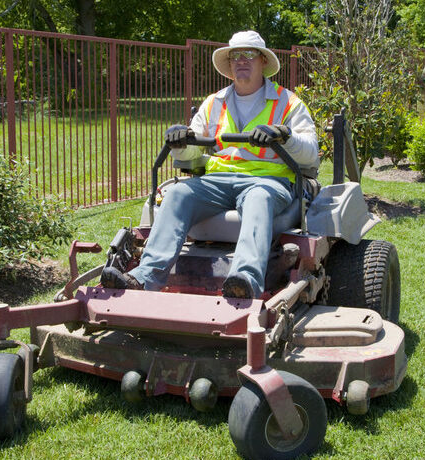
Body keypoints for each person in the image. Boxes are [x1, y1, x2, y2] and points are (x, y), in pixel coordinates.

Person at [101, 30, 319, 298]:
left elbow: (310, 154)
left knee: (258, 198)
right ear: (229, 64)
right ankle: (144, 278)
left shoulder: (290, 103)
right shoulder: (212, 103)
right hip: (217, 181)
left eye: (248, 54)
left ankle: (245, 279)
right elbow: (189, 158)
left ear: (263, 60)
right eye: (236, 55)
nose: (241, 60)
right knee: (178, 193)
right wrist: (180, 143)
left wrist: (284, 136)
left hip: (268, 182)